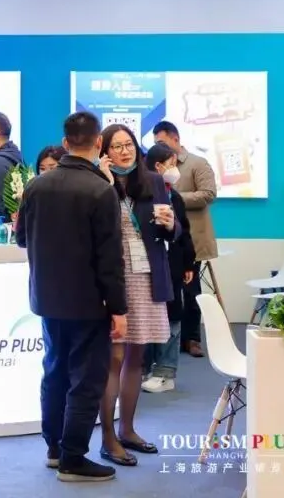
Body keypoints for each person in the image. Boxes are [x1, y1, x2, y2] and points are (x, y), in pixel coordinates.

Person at [15, 111, 127, 483]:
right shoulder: (101, 190)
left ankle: (54, 448)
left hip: (47, 299)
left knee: (54, 372)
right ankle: (73, 458)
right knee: (86, 380)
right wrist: (119, 308)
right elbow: (109, 258)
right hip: (88, 302)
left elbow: (21, 238)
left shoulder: (36, 186)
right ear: (99, 143)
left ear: (65, 143)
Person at [95, 125, 178, 467]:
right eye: (116, 146)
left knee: (136, 357)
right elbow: (96, 229)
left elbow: (174, 231)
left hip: (146, 275)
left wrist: (170, 223)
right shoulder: (97, 183)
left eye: (128, 144)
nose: (124, 151)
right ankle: (108, 438)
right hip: (113, 277)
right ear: (105, 152)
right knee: (113, 357)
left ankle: (127, 429)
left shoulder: (153, 181)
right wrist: (106, 182)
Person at [152, 120, 217, 358]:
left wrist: (174, 197)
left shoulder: (197, 163)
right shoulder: (154, 168)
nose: (159, 146)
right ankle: (168, 341)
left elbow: (208, 194)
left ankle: (193, 339)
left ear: (175, 139)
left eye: (162, 141)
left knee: (191, 291)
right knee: (168, 292)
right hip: (166, 242)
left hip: (192, 239)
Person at [141, 142, 197, 394]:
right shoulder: (141, 194)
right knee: (146, 317)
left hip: (172, 265)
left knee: (172, 317)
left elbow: (184, 232)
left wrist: (188, 262)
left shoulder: (174, 196)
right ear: (157, 166)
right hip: (146, 264)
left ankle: (166, 372)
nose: (175, 170)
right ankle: (143, 368)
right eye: (172, 164)